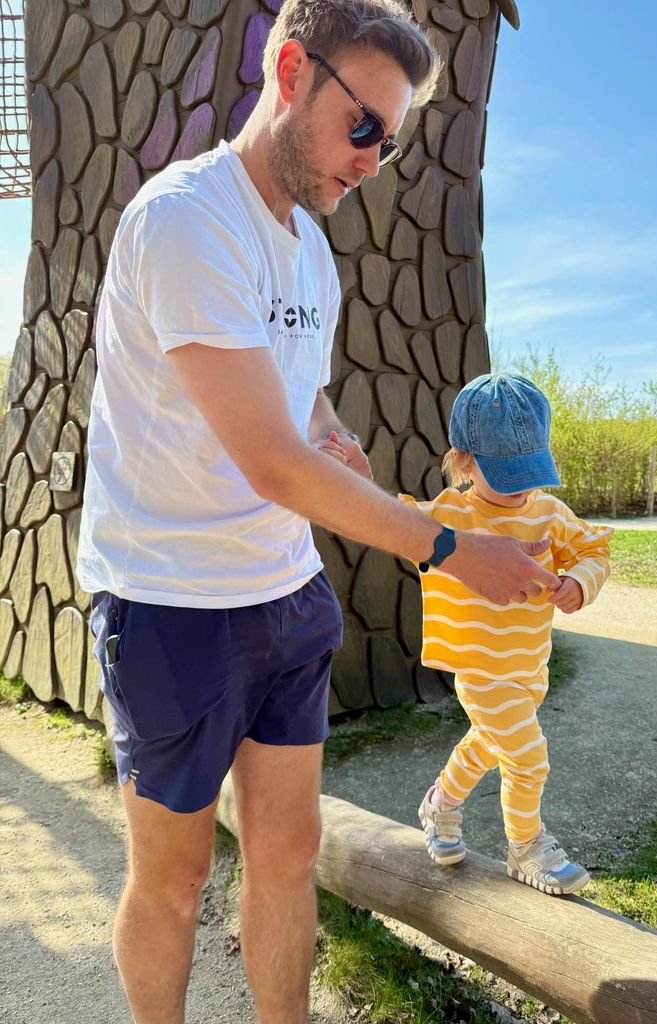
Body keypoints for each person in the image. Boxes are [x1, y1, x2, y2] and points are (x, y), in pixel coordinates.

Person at [76, 2, 558, 1021]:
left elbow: (292, 397)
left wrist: (327, 421)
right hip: (169, 601)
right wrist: (448, 546)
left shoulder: (311, 252)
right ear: (289, 70)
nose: (377, 158)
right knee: (174, 873)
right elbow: (268, 461)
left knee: (288, 856)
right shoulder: (186, 224)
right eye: (366, 127)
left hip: (285, 597)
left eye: (393, 137)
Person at [399, 373, 613, 895]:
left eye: (529, 472)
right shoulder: (454, 512)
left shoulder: (549, 514)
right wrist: (355, 477)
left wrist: (578, 584)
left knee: (487, 746)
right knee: (527, 757)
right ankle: (526, 846)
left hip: (529, 669)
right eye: (505, 472)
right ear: (464, 461)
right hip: (482, 670)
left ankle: (440, 804)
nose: (520, 487)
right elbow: (395, 520)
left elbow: (594, 550)